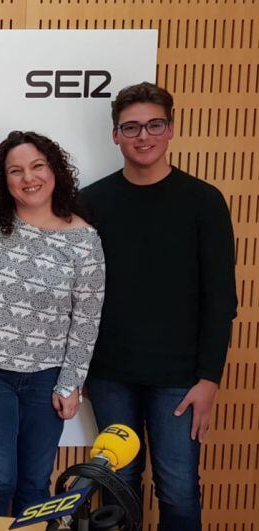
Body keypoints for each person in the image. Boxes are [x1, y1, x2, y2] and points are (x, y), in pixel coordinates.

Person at [82, 82, 236, 531]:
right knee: (116, 483)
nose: (142, 136)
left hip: (180, 379)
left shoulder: (204, 202)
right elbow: (80, 291)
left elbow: (221, 298)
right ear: (115, 135)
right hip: (110, 374)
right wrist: (85, 369)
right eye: (130, 127)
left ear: (170, 129)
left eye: (154, 125)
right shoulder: (92, 202)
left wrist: (209, 378)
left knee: (178, 488)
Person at [0, 131, 105, 516]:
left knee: (35, 483)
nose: (28, 178)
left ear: (55, 170)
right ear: (3, 181)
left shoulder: (85, 240)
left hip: (46, 377)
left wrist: (70, 382)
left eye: (37, 166)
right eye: (16, 170)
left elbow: (87, 318)